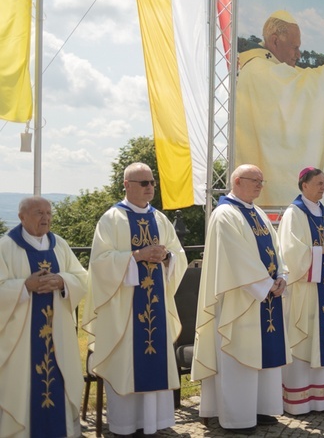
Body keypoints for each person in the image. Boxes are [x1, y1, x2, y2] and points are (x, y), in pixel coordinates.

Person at [84, 162, 187, 436]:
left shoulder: (161, 219)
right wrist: (137, 256)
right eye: (143, 183)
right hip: (125, 311)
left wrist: (167, 257)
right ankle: (125, 425)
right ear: (127, 185)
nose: (150, 187)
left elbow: (179, 254)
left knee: (154, 360)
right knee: (125, 362)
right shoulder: (111, 219)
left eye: (152, 182)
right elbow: (100, 263)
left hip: (156, 305)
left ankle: (155, 423)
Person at [192, 165, 291, 433]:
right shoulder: (225, 214)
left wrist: (281, 275)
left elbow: (275, 249)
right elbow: (237, 258)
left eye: (262, 180)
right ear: (236, 181)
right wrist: (266, 284)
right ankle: (238, 417)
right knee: (239, 354)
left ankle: (262, 408)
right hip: (239, 298)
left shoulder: (257, 213)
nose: (260, 185)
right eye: (255, 180)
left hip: (266, 293)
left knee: (264, 352)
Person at [234, 10, 324, 206]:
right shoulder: (259, 69)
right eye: (295, 47)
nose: (299, 54)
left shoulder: (268, 68)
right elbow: (305, 88)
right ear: (275, 41)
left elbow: (302, 82)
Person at [0, 197, 88, 437]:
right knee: (23, 386)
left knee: (58, 380)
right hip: (21, 340)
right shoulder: (5, 247)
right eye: (39, 213)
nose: (46, 218)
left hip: (57, 334)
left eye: (48, 213)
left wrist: (62, 281)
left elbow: (82, 278)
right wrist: (25, 286)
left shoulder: (59, 244)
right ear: (22, 217)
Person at [278, 167, 324, 414]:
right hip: (306, 288)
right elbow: (290, 252)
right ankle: (300, 399)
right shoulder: (293, 213)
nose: (323, 187)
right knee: (306, 338)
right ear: (304, 185)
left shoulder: (323, 211)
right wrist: (322, 251)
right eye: (319, 183)